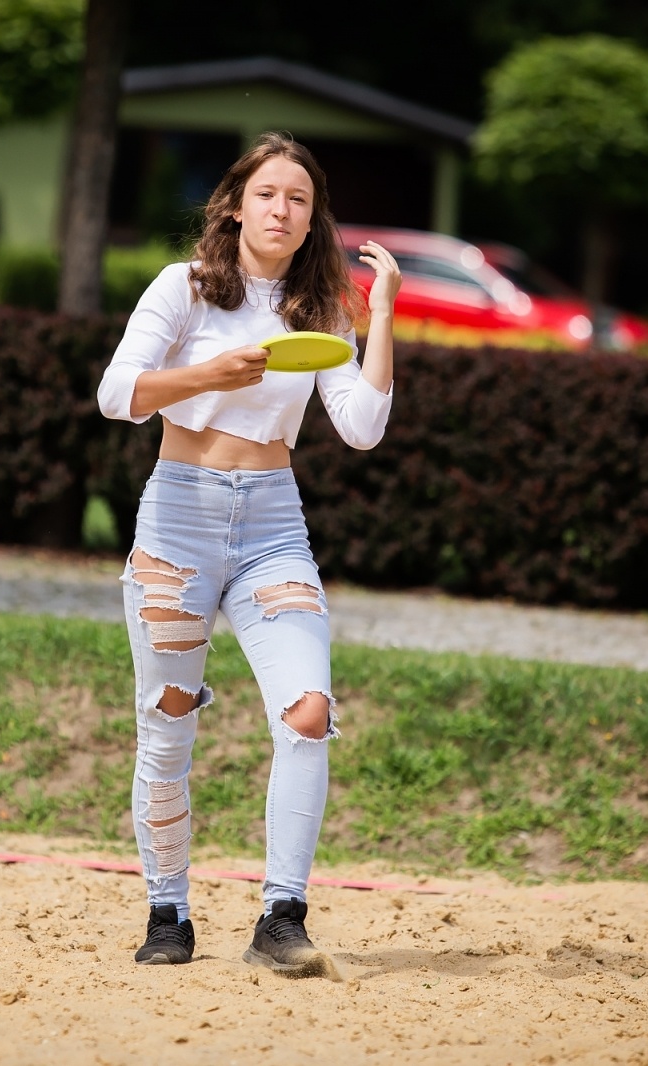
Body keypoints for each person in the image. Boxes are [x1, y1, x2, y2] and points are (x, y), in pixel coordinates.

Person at [96, 132, 401, 977]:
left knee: (309, 712)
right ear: (234, 205)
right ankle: (168, 913)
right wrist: (208, 377)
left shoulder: (319, 312)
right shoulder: (184, 291)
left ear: (312, 223)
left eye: (299, 200)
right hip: (178, 522)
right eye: (268, 193)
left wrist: (377, 317)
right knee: (166, 730)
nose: (282, 209)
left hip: (273, 528)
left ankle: (282, 916)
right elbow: (116, 394)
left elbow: (364, 426)